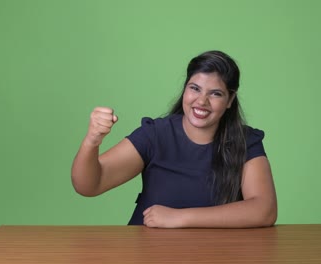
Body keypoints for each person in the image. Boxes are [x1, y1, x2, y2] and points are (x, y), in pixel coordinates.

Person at [71, 50, 277, 228]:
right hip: (148, 253)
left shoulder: (246, 140)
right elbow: (89, 185)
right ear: (185, 89)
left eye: (215, 94)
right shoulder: (155, 134)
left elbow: (264, 209)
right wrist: (92, 141)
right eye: (195, 88)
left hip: (215, 254)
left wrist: (180, 217)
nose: (202, 101)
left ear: (230, 100)